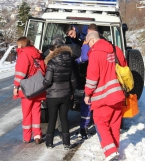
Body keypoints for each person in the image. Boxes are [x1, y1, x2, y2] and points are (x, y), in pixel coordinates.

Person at [84, 31, 127, 161]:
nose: (88, 46)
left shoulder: (95, 54)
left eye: (88, 43)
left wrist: (87, 94)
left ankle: (110, 152)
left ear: (92, 40)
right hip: (118, 94)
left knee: (100, 121)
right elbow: (124, 65)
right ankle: (115, 150)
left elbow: (92, 77)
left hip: (103, 96)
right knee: (114, 124)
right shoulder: (115, 49)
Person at [43, 43, 77, 150]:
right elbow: (73, 81)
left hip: (53, 95)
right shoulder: (69, 63)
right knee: (64, 118)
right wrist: (72, 92)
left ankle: (49, 143)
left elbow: (47, 81)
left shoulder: (51, 63)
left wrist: (43, 84)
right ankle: (66, 143)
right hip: (66, 94)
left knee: (52, 118)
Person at [13, 37, 46, 144]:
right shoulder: (37, 54)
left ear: (22, 45)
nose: (17, 47)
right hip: (38, 88)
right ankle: (37, 135)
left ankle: (27, 137)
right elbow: (43, 69)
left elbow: (20, 73)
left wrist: (16, 86)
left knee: (26, 113)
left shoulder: (23, 54)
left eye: (18, 45)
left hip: (27, 88)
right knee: (36, 112)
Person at [75, 23, 99, 139]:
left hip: (89, 78)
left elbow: (85, 58)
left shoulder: (86, 44)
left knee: (87, 104)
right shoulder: (106, 45)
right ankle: (100, 128)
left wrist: (77, 61)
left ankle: (83, 129)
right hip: (103, 81)